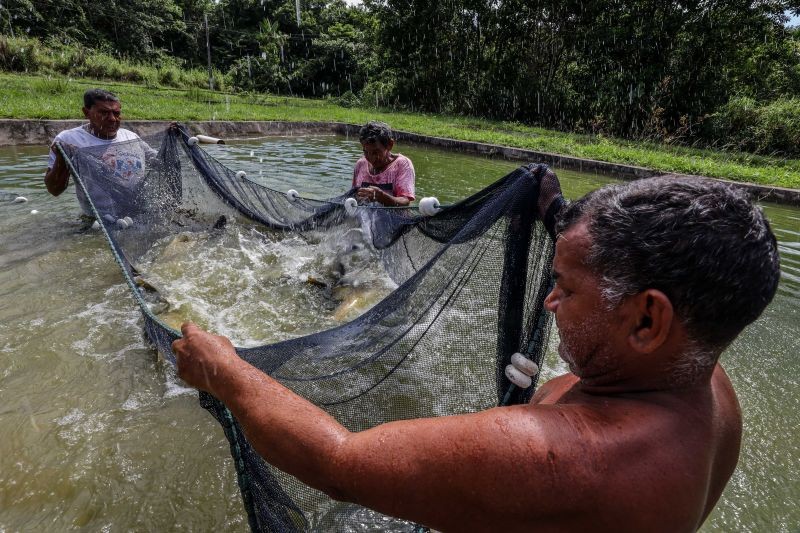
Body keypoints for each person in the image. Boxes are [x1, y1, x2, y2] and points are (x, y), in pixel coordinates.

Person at [172, 172, 780, 531]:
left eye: (565, 288)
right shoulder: (706, 382)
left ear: (647, 319)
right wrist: (556, 217)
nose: (549, 301)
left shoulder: (568, 462)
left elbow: (336, 462)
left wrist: (224, 371)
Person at [45, 88, 155, 217]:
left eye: (116, 113)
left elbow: (160, 161)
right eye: (104, 113)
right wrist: (61, 158)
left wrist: (172, 136)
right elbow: (54, 190)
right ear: (86, 112)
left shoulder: (131, 137)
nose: (112, 119)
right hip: (99, 221)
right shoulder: (69, 140)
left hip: (140, 214)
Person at [352, 121, 415, 207]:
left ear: (390, 145)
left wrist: (381, 197)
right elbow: (353, 196)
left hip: (394, 216)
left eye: (376, 152)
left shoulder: (402, 165)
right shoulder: (361, 164)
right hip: (363, 214)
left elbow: (405, 202)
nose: (372, 158)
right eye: (366, 152)